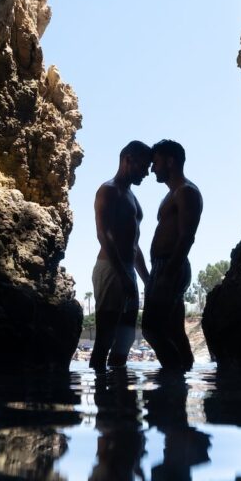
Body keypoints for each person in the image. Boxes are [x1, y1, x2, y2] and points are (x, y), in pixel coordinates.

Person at [90, 140, 152, 369]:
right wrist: (122, 274)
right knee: (104, 341)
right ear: (128, 159)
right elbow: (103, 235)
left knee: (124, 342)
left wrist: (146, 278)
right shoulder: (108, 190)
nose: (146, 172)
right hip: (110, 269)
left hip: (127, 272)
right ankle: (100, 398)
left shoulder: (132, 197)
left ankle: (121, 401)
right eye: (143, 166)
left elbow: (134, 244)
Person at [142, 139, 203, 370]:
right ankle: (183, 378)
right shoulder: (170, 195)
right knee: (175, 331)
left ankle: (172, 375)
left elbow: (187, 235)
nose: (152, 168)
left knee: (151, 328)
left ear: (170, 161)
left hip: (171, 265)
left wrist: (169, 271)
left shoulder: (186, 192)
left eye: (155, 162)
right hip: (163, 265)